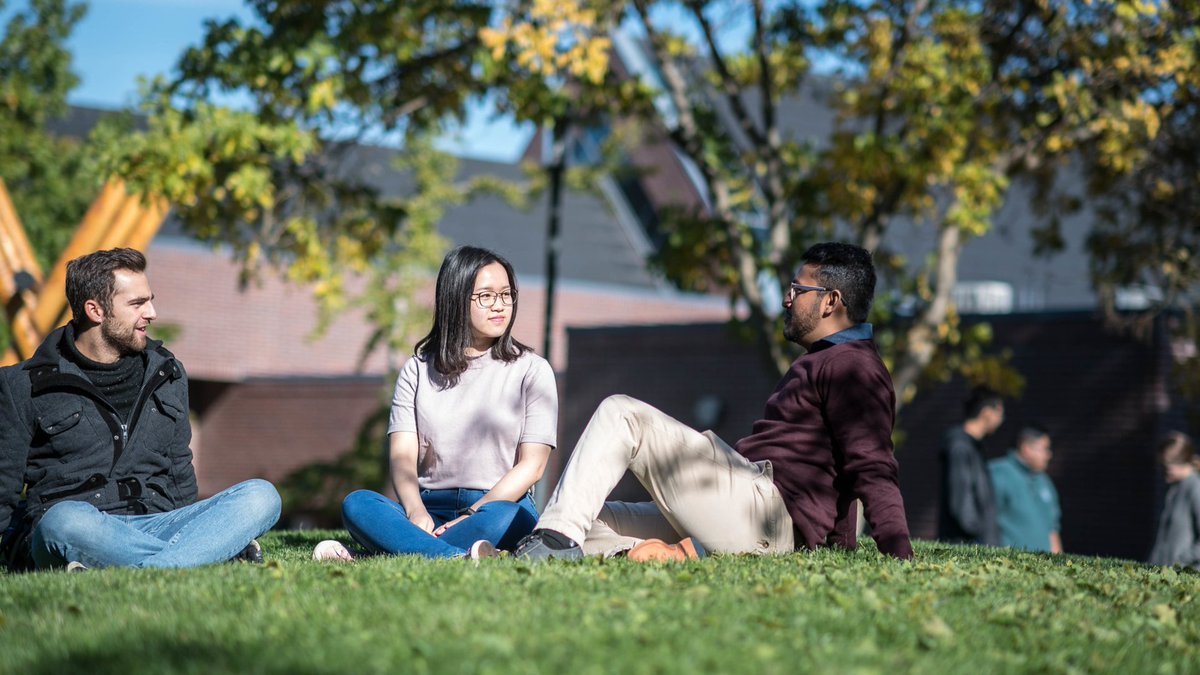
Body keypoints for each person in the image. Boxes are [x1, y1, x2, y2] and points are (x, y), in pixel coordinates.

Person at [513, 242, 913, 562]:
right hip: (744, 503)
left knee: (624, 414)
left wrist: (898, 552)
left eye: (797, 290)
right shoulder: (828, 360)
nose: (787, 299)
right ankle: (650, 556)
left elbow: (871, 466)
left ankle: (553, 544)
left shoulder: (854, 367)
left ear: (831, 301)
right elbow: (837, 473)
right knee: (586, 517)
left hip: (765, 517)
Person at [0, 248, 281, 571]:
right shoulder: (21, 384)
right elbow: (4, 486)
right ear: (95, 310)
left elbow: (180, 474)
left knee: (262, 496)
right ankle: (201, 556)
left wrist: (193, 525)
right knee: (62, 522)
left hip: (159, 524)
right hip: (82, 526)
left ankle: (138, 566)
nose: (152, 313)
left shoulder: (168, 373)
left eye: (149, 300)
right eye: (137, 304)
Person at [315, 246, 556, 561]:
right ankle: (459, 556)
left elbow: (533, 466)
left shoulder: (533, 369)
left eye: (506, 294)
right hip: (429, 511)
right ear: (455, 299)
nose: (500, 306)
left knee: (509, 517)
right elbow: (402, 455)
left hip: (496, 507)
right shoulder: (417, 368)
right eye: (486, 296)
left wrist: (471, 514)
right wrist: (415, 511)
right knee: (358, 504)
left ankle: (391, 551)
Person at [937, 385, 1003, 546]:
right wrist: (978, 534)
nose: (1002, 419)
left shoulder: (972, 447)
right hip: (966, 543)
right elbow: (961, 498)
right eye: (1000, 413)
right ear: (987, 413)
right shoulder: (960, 447)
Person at [989, 425, 1062, 553]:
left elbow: (1052, 529)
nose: (1048, 455)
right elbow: (986, 520)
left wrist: (1059, 564)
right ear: (1026, 448)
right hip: (1009, 565)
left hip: (1045, 568)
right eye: (1044, 449)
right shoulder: (999, 473)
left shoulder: (1044, 481)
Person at [1148, 431, 1200, 569]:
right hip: (1163, 574)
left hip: (1183, 577)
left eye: (1166, 467)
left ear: (1181, 463)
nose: (1163, 471)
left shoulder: (1195, 489)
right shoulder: (1174, 489)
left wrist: (1181, 561)